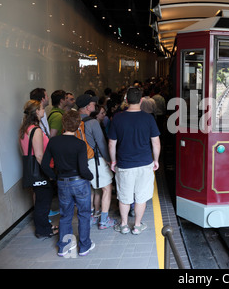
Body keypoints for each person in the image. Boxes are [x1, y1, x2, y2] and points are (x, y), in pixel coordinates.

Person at [41, 110, 95, 256]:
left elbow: (45, 165)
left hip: (62, 182)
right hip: (79, 182)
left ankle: (64, 247)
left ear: (63, 124)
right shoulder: (80, 144)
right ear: (78, 125)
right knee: (84, 214)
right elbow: (83, 169)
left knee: (65, 215)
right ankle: (84, 246)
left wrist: (54, 177)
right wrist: (90, 177)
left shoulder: (53, 142)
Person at [108, 87, 160, 235]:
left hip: (124, 164)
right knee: (141, 197)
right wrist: (156, 160)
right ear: (141, 100)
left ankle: (124, 225)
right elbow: (156, 143)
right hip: (144, 163)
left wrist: (113, 161)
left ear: (126, 100)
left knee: (124, 197)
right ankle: (137, 226)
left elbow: (112, 143)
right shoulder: (148, 118)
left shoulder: (117, 118)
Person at [76, 94, 116, 230]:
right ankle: (104, 220)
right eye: (93, 104)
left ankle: (92, 216)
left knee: (92, 188)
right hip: (95, 161)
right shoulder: (92, 122)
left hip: (81, 161)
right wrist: (110, 161)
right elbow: (102, 144)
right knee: (107, 188)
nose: (95, 106)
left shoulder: (72, 120)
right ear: (88, 107)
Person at [19, 100, 57, 238]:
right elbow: (39, 155)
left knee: (41, 201)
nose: (43, 111)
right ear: (36, 112)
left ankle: (45, 226)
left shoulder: (25, 128)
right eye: (41, 108)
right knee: (43, 202)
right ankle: (43, 230)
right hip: (40, 172)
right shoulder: (35, 130)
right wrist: (50, 173)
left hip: (32, 171)